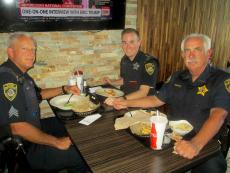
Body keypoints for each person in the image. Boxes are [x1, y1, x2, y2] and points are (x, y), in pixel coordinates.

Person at [107, 33, 230, 173]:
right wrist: (126, 102)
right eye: (187, 50)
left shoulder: (222, 79)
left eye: (197, 49)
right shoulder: (177, 77)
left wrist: (195, 144)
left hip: (205, 140)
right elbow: (155, 99)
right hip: (172, 135)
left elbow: (219, 115)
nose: (191, 55)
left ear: (209, 53)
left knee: (213, 169)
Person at [0, 33, 89, 172]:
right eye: (25, 49)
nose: (31, 54)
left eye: (33, 49)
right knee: (80, 155)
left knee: (69, 121)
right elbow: (18, 127)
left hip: (34, 127)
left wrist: (64, 88)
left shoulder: (19, 73)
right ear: (11, 52)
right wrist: (57, 142)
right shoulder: (7, 78)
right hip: (24, 148)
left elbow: (38, 94)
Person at [104, 28, 159, 100]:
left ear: (139, 43)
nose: (127, 47)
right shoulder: (124, 60)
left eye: (131, 42)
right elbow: (126, 80)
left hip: (142, 106)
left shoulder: (149, 62)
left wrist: (123, 99)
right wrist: (111, 82)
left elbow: (143, 92)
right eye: (124, 42)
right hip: (126, 101)